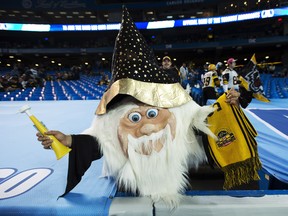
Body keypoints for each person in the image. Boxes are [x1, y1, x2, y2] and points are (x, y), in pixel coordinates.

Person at [36, 7, 260, 208]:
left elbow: (206, 122)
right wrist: (69, 140)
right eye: (135, 118)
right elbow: (101, 142)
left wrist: (234, 100)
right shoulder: (115, 114)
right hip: (132, 194)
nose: (146, 129)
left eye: (151, 114)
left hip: (176, 192)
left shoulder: (176, 109)